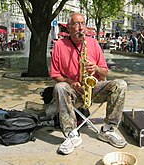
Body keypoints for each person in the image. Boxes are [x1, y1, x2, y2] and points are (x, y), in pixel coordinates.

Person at [49, 13, 127, 155]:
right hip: (72, 91)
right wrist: (70, 82)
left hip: (93, 88)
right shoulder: (60, 45)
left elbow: (104, 73)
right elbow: (55, 74)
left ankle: (108, 129)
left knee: (120, 84)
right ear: (69, 27)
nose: (80, 28)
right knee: (60, 87)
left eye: (83, 24)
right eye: (76, 24)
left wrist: (96, 68)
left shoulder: (93, 43)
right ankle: (72, 133)